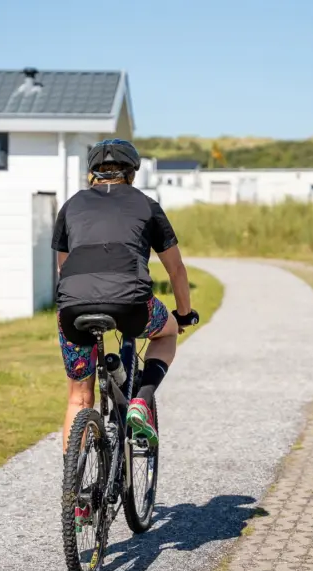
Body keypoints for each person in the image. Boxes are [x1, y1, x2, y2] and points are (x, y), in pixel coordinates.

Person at [51, 138, 199, 453]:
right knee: (168, 331)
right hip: (132, 303)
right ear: (131, 173)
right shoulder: (146, 205)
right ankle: (141, 401)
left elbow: (63, 268)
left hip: (73, 307)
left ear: (92, 172)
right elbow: (176, 269)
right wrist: (184, 315)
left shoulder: (71, 206)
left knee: (79, 398)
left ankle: (73, 482)